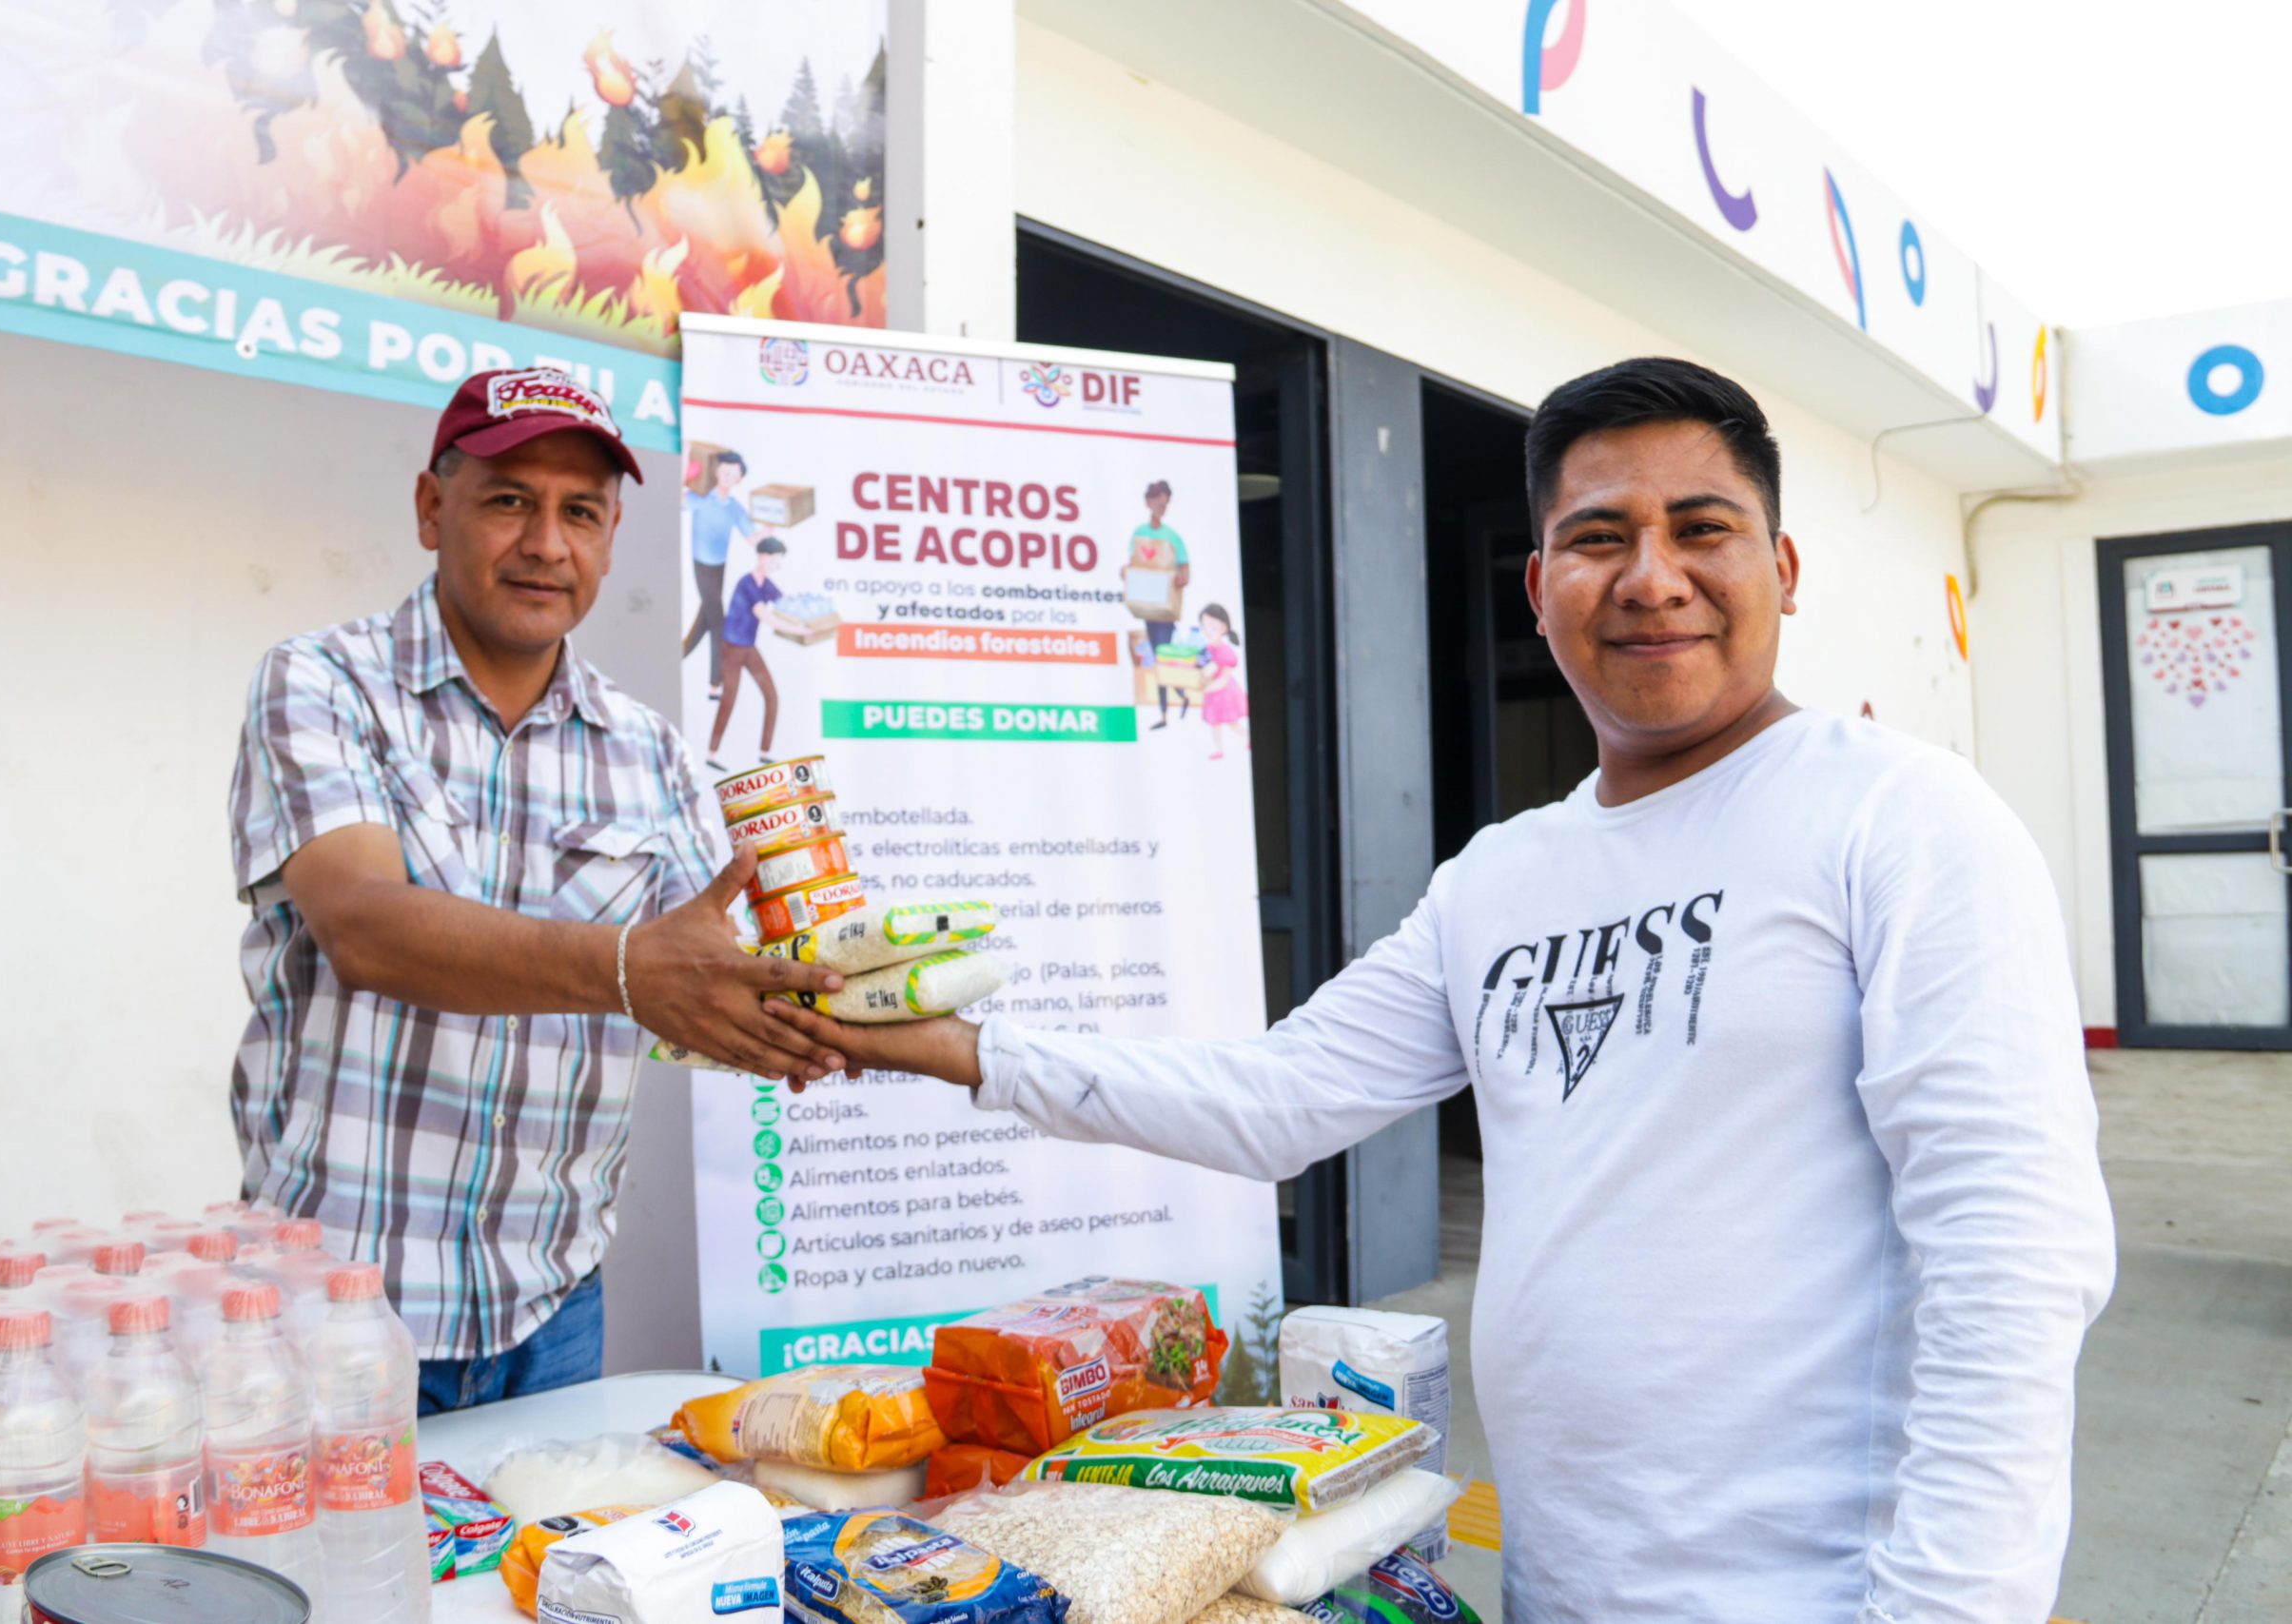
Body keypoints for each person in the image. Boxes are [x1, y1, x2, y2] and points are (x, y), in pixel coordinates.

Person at [771, 358, 2118, 1623]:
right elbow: (1277, 1098)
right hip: (1565, 1573)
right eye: (1600, 537)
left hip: (1820, 1588)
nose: (1652, 576)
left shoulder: (1899, 815)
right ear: (1538, 585)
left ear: (1783, 566)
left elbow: (2012, 1250)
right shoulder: (1502, 877)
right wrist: (954, 1045)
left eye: (1701, 527)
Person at [227, 369, 848, 1415]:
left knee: (544, 1584)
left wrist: (859, 1007)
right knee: (340, 1585)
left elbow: (719, 974)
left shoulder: (648, 750)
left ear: (610, 538)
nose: (546, 545)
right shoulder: (324, 684)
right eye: (509, 500)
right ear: (434, 508)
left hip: (550, 1311)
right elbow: (365, 928)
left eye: (582, 513)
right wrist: (623, 969)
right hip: (329, 1318)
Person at [682, 448, 775, 701]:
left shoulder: (734, 508)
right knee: (717, 623)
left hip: (719, 566)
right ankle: (715, 684)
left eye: (731, 473)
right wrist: (685, 473)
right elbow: (679, 501)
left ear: (739, 479)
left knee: (705, 619)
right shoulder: (701, 498)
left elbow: (751, 537)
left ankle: (676, 656)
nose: (725, 476)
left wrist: (768, 529)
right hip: (701, 564)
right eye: (722, 471)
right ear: (715, 472)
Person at [707, 536, 806, 771]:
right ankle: (711, 753)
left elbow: (785, 604)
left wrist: (809, 614)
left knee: (771, 696)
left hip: (748, 647)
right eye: (774, 560)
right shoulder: (747, 584)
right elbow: (766, 616)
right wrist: (799, 630)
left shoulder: (766, 584)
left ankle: (765, 751)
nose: (776, 565)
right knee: (729, 699)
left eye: (779, 561)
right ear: (762, 557)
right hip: (732, 648)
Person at [1123, 479, 1191, 728]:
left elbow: (1185, 573)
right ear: (1148, 502)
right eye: (1156, 502)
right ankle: (1178, 700)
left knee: (1162, 658)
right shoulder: (1140, 533)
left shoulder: (1173, 537)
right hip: (1147, 606)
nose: (1160, 507)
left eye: (1164, 503)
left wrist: (1175, 578)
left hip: (1165, 611)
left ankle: (1167, 711)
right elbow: (1133, 563)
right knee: (1159, 658)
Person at [1195, 603, 1248, 760]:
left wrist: (1205, 689)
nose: (1208, 631)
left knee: (1232, 722)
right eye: (1205, 627)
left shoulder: (1225, 651)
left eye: (1213, 627)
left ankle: (1249, 738)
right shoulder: (1207, 649)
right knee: (1215, 724)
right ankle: (1219, 749)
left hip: (1224, 694)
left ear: (1224, 627)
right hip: (1212, 694)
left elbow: (1224, 680)